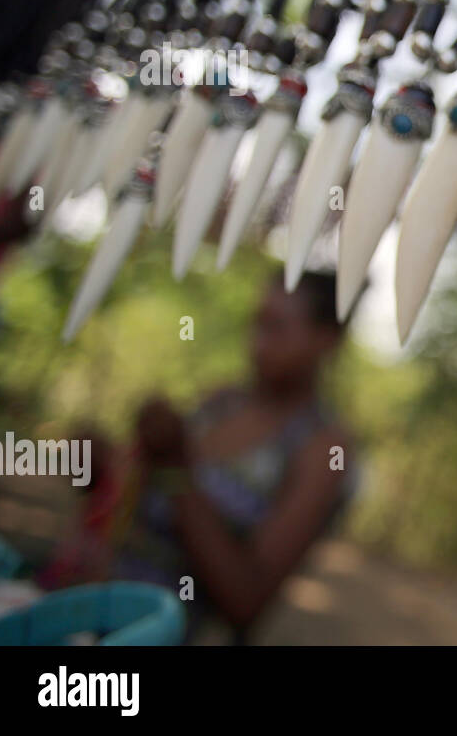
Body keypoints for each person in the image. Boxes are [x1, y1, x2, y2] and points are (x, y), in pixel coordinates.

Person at [110, 270, 356, 642]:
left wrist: (178, 473)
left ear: (325, 340)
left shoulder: (323, 450)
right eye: (256, 324)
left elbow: (244, 600)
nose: (257, 342)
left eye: (277, 328)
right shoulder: (221, 403)